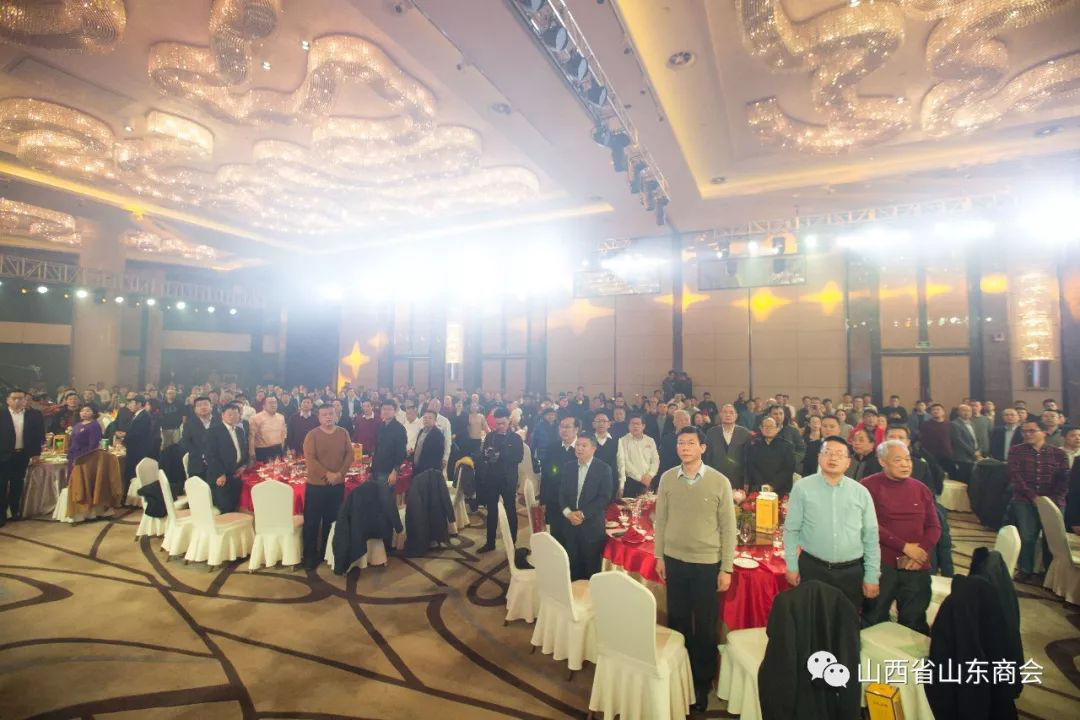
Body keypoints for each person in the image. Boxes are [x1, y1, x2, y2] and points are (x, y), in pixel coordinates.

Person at [653, 425, 735, 712]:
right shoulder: (667, 478)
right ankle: (680, 675)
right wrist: (659, 556)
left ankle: (701, 683)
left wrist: (726, 567)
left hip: (706, 563)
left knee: (705, 625)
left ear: (703, 448)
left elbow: (728, 527)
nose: (685, 447)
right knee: (678, 620)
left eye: (691, 443)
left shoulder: (719, 481)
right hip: (674, 560)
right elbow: (661, 520)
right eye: (681, 443)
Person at [784, 436, 881, 613]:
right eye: (827, 453)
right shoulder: (802, 488)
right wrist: (791, 566)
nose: (833, 458)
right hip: (813, 568)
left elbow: (871, 536)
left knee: (846, 621)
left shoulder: (861, 492)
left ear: (848, 462)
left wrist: (872, 575)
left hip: (851, 572)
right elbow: (791, 530)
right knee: (811, 619)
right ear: (819, 457)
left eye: (839, 454)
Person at [861, 440, 941, 634]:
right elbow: (868, 525)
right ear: (882, 461)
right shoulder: (867, 486)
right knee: (873, 619)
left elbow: (934, 527)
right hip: (882, 564)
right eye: (898, 460)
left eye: (908, 459)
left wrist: (919, 551)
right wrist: (904, 547)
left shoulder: (921, 488)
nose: (906, 464)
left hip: (916, 563)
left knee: (914, 622)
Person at [885, 424, 952, 577]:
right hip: (884, 523)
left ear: (908, 442)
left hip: (916, 518)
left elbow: (930, 494)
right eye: (892, 437)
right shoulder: (874, 465)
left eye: (901, 438)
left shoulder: (920, 465)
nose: (896, 441)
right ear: (884, 440)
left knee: (935, 523)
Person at [1007, 419, 1069, 582]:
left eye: (1032, 431)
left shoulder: (1058, 453)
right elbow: (1015, 477)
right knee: (1027, 536)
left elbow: (1064, 479)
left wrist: (1051, 501)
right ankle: (1025, 569)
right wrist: (1033, 497)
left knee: (1053, 539)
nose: (1027, 434)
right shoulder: (1016, 451)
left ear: (1044, 432)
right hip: (1025, 500)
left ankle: (1050, 572)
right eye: (1024, 431)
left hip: (1053, 501)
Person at [301, 404, 355, 569]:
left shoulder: (343, 432)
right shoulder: (312, 435)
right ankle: (309, 556)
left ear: (336, 415)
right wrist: (328, 475)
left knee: (331, 521)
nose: (328, 417)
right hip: (316, 486)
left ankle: (326, 552)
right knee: (312, 522)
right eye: (324, 414)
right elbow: (310, 460)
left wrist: (340, 474)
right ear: (319, 417)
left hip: (337, 484)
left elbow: (350, 454)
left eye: (331, 414)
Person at [558, 432, 614, 581]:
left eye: (584, 445)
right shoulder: (568, 467)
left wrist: (582, 514)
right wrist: (568, 513)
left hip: (592, 527)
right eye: (578, 445)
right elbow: (561, 494)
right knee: (573, 567)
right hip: (570, 525)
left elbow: (604, 498)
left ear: (593, 448)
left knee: (591, 570)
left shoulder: (604, 469)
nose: (579, 448)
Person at [477, 407, 525, 554]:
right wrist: (486, 455)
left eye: (503, 423)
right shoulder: (490, 436)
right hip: (491, 478)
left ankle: (512, 544)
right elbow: (483, 455)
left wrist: (501, 455)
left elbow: (519, 457)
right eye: (497, 423)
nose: (500, 426)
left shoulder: (515, 438)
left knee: (510, 510)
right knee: (491, 511)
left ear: (509, 421)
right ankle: (490, 542)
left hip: (507, 479)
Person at [0, 389, 46, 524]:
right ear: (7, 400)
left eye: (20, 398)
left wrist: (36, 453)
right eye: (14, 398)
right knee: (1, 484)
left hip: (22, 455)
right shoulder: (2, 414)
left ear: (25, 400)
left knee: (17, 483)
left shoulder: (34, 415)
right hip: (3, 454)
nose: (17, 401)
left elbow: (38, 435)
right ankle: (1, 514)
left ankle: (14, 511)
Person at [371, 399, 407, 552]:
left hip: (388, 471)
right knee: (380, 505)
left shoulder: (399, 429)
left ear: (395, 411)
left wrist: (395, 471)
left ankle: (399, 530)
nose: (386, 411)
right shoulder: (382, 426)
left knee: (387, 503)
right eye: (384, 409)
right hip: (377, 468)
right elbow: (378, 447)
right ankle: (386, 539)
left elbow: (401, 453)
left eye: (389, 409)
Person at [204, 403, 250, 513]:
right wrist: (220, 473)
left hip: (236, 474)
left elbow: (244, 450)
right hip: (221, 476)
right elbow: (210, 455)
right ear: (222, 415)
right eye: (229, 414)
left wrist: (244, 466)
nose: (233, 417)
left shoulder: (239, 431)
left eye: (236, 414)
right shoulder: (213, 431)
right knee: (226, 508)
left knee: (239, 504)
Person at [541, 415, 579, 536]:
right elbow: (545, 475)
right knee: (556, 536)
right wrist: (543, 500)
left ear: (576, 429)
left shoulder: (582, 448)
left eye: (567, 427)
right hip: (554, 500)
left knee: (573, 537)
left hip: (575, 503)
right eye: (561, 427)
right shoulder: (552, 447)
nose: (564, 430)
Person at [745, 416, 796, 495]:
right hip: (758, 488)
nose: (768, 429)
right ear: (761, 429)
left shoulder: (787, 446)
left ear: (778, 429)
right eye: (765, 426)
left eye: (771, 426)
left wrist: (772, 485)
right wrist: (762, 485)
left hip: (780, 488)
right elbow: (751, 467)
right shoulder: (753, 445)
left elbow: (788, 469)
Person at [703, 404, 751, 487]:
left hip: (738, 479)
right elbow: (707, 457)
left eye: (731, 412)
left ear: (736, 416)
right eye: (725, 412)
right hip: (716, 477)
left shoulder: (745, 433)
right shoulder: (711, 432)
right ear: (720, 415)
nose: (728, 415)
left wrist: (747, 481)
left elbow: (748, 459)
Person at [615, 414, 659, 499]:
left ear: (643, 426)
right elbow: (625, 462)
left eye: (638, 424)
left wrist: (650, 474)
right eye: (632, 424)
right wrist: (640, 478)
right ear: (629, 426)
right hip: (632, 482)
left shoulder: (650, 440)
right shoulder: (622, 441)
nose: (635, 426)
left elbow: (655, 460)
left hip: (650, 480)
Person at [122, 396, 155, 499]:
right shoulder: (137, 415)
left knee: (134, 474)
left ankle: (134, 498)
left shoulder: (144, 416)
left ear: (139, 404)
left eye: (132, 403)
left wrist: (124, 439)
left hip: (138, 450)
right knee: (130, 473)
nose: (130, 406)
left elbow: (138, 434)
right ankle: (129, 497)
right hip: (135, 449)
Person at [918, 403, 954, 477]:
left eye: (938, 409)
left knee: (950, 477)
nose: (936, 411)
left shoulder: (949, 424)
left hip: (947, 455)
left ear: (943, 412)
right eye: (933, 410)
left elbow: (953, 439)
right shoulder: (925, 425)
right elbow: (921, 440)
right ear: (930, 413)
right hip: (931, 456)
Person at [66, 404, 102, 476]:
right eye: (82, 411)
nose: (84, 413)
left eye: (87, 411)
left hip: (84, 456)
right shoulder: (77, 425)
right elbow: (72, 440)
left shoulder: (94, 425)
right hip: (73, 455)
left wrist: (85, 458)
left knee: (82, 477)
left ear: (94, 413)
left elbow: (94, 444)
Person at [249, 396, 287, 462]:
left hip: (278, 449)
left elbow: (283, 434)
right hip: (263, 451)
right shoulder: (255, 418)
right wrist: (252, 452)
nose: (273, 405)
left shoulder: (281, 417)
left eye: (275, 402)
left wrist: (282, 447)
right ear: (264, 406)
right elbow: (251, 437)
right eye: (270, 403)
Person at [949, 403, 980, 483]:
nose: (967, 413)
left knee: (973, 481)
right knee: (964, 481)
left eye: (969, 411)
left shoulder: (972, 423)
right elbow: (958, 441)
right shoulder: (954, 424)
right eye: (964, 410)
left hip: (973, 456)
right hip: (962, 457)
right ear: (958, 412)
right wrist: (973, 452)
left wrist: (978, 450)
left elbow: (975, 439)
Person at [657, 409, 691, 478]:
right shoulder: (667, 439)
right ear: (674, 422)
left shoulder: (698, 437)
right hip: (672, 475)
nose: (684, 422)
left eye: (686, 419)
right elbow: (662, 461)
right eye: (680, 420)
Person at [412, 408, 446, 476]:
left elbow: (437, 457)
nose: (426, 420)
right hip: (416, 468)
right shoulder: (421, 431)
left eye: (430, 418)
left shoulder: (438, 435)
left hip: (428, 472)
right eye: (425, 417)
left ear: (435, 421)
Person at [590, 410, 618, 474]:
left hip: (612, 476)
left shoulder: (616, 441)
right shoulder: (589, 440)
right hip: (593, 475)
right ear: (593, 424)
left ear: (609, 424)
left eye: (604, 421)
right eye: (598, 421)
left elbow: (619, 462)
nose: (601, 423)